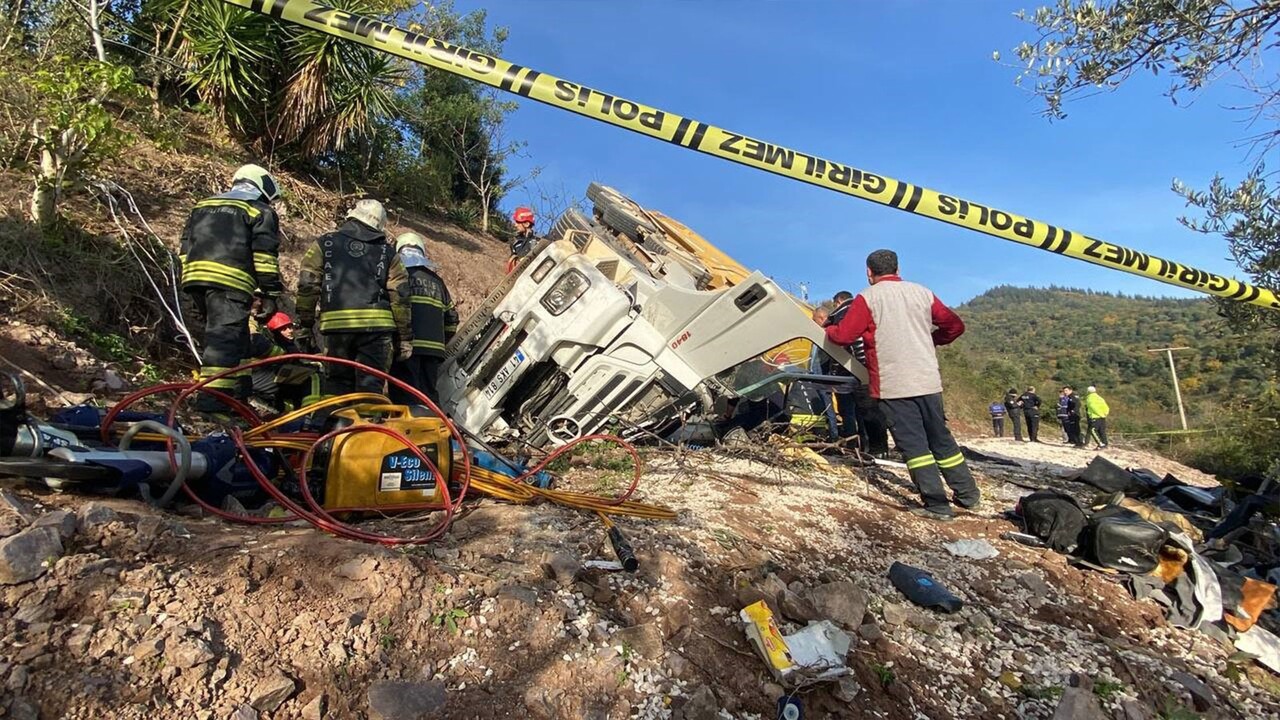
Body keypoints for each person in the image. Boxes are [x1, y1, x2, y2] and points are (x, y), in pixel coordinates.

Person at [825, 249, 979, 521]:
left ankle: (936, 504)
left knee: (914, 447)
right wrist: (932, 340)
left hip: (894, 384)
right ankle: (968, 495)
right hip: (928, 380)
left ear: (869, 272)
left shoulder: (868, 298)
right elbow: (954, 326)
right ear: (897, 268)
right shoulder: (922, 292)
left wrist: (827, 330)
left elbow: (845, 335)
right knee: (941, 439)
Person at [179, 164, 283, 411]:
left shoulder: (202, 206)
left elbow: (185, 248)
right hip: (230, 284)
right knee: (224, 341)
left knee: (235, 338)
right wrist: (270, 293)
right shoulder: (259, 211)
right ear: (262, 187)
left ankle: (239, 393)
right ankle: (212, 402)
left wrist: (191, 276)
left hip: (194, 279)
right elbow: (264, 257)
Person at [295, 199, 410, 396]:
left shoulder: (323, 244)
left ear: (352, 216)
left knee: (336, 387)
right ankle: (367, 424)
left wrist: (304, 326)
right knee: (370, 389)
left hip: (336, 329)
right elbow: (400, 297)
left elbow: (308, 284)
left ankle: (340, 425)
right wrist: (404, 338)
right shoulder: (389, 254)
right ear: (379, 225)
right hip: (376, 331)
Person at [389, 232, 459, 405]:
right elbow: (451, 319)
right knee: (428, 396)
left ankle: (406, 431)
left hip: (406, 348)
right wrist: (441, 342)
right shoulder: (438, 281)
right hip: (433, 352)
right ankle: (430, 428)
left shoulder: (399, 277)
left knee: (404, 395)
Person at [826, 290, 890, 455]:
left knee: (852, 411)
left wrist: (842, 372)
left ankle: (857, 447)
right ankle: (875, 448)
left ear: (839, 301)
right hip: (873, 368)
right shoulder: (865, 311)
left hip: (851, 372)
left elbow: (846, 341)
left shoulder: (842, 315)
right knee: (868, 412)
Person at [246, 311, 319, 412]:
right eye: (283, 329)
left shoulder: (290, 344)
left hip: (263, 383)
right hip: (260, 380)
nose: (289, 331)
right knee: (313, 377)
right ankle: (312, 413)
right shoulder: (273, 344)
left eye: (290, 327)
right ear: (275, 332)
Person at [507, 206, 542, 273]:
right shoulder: (515, 243)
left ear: (526, 224)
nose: (515, 225)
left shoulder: (539, 240)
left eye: (518, 222)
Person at [1084, 385, 1110, 449]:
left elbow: (1093, 407)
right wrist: (1105, 414)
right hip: (1102, 417)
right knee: (1102, 431)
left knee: (1093, 431)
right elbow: (1106, 407)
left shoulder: (1089, 398)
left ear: (1088, 391)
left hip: (1095, 417)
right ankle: (1105, 444)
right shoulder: (1100, 398)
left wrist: (1099, 414)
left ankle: (1100, 444)